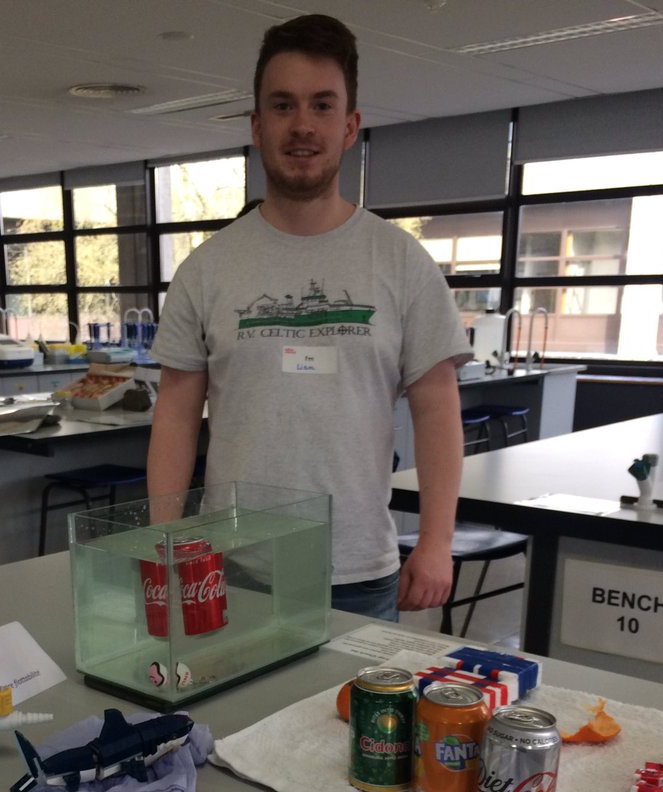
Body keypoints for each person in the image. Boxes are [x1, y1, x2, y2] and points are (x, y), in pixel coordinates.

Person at [147, 13, 472, 621]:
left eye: (322, 105)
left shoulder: (401, 261)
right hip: (232, 566)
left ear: (349, 126)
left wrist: (435, 542)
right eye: (283, 105)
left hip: (356, 568)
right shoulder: (207, 268)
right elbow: (175, 413)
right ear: (257, 125)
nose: (302, 125)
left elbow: (437, 408)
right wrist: (163, 539)